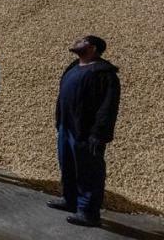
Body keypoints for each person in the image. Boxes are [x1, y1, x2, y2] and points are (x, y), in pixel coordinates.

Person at [48, 35, 121, 227]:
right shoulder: (73, 67)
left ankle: (88, 212)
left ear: (92, 48)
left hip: (86, 132)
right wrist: (59, 120)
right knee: (68, 165)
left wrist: (99, 133)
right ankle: (70, 200)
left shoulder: (104, 73)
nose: (76, 43)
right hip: (67, 127)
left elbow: (108, 106)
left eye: (81, 41)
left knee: (89, 171)